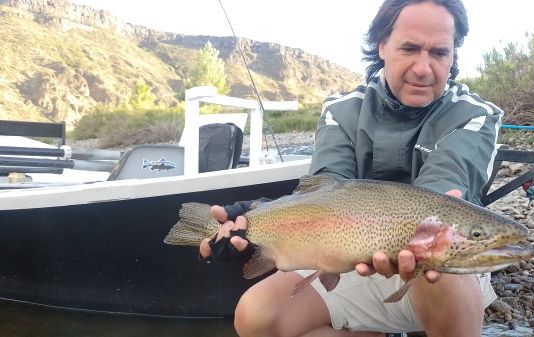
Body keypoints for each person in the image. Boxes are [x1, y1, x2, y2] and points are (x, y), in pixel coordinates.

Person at [201, 0, 504, 336]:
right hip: (352, 255)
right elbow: (326, 191)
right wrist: (254, 213)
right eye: (410, 48)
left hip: (436, 272)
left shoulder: (474, 115)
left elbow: (438, 194)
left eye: (439, 53)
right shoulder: (342, 110)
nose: (423, 67)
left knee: (439, 243)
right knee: (256, 316)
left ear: (453, 56)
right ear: (383, 46)